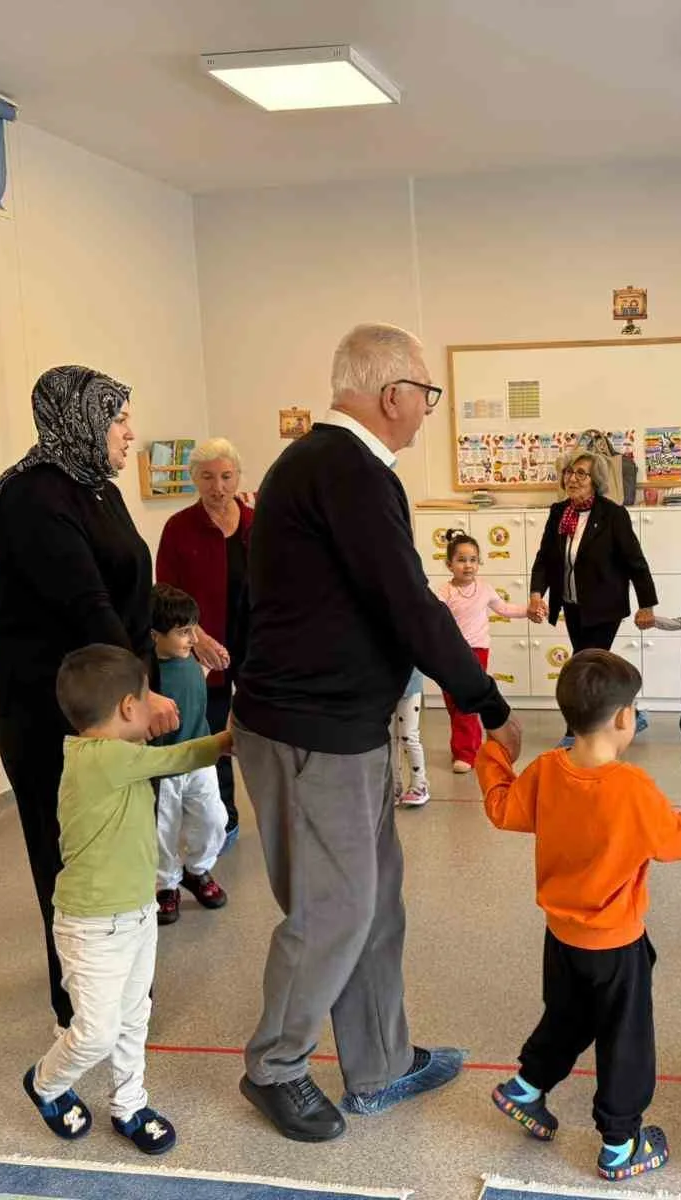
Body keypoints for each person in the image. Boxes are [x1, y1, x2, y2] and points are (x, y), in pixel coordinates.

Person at [232, 322, 522, 1144]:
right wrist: (487, 707)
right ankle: (275, 1066)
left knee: (374, 904)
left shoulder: (328, 467)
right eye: (427, 394)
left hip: (341, 728)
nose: (427, 411)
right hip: (312, 732)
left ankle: (381, 1062)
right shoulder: (345, 469)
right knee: (335, 908)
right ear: (392, 394)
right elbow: (407, 602)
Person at [0, 366, 179, 1030]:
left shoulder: (95, 488)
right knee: (68, 851)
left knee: (115, 845)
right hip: (46, 708)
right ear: (81, 423)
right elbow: (88, 606)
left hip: (107, 702)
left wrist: (173, 639)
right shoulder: (33, 498)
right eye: (118, 419)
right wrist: (139, 696)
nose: (131, 433)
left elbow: (127, 590)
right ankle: (81, 1002)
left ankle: (115, 983)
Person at [477, 650, 681, 1182]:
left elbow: (502, 808)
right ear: (622, 718)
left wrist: (493, 755)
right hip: (615, 946)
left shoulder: (547, 771)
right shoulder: (631, 788)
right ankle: (620, 1142)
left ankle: (526, 1088)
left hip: (561, 938)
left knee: (568, 1016)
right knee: (624, 1038)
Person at [22, 644, 230, 1156]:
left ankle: (129, 1103)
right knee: (95, 1032)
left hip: (136, 915)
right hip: (91, 927)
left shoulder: (107, 756)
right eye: (146, 698)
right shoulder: (105, 757)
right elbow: (178, 755)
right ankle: (45, 1083)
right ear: (129, 709)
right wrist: (229, 739)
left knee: (136, 1017)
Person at [156, 437, 254, 850]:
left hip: (255, 646)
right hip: (200, 651)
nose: (218, 486)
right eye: (208, 477)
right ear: (194, 479)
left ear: (238, 477)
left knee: (262, 732)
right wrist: (199, 638)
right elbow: (165, 596)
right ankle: (223, 820)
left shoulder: (257, 521)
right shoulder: (179, 527)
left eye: (226, 476)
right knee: (213, 736)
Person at [528, 453, 658, 743]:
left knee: (583, 665)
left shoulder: (612, 515)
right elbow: (545, 559)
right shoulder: (559, 512)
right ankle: (630, 714)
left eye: (581, 474)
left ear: (595, 481)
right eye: (569, 472)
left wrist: (646, 604)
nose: (572, 478)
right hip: (574, 605)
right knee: (593, 665)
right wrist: (536, 594)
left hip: (605, 605)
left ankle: (576, 731)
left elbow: (635, 561)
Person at [149, 584, 229, 925]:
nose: (193, 639)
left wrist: (210, 667)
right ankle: (166, 885)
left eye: (192, 630)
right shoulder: (146, 677)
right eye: (183, 633)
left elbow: (194, 685)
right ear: (155, 637)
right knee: (163, 831)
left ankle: (197, 870)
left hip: (200, 759)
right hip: (164, 768)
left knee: (213, 819)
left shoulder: (190, 659)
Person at [433, 529, 529, 772]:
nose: (468, 565)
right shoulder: (444, 592)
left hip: (476, 653)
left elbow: (504, 609)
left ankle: (465, 753)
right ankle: (468, 746)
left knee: (467, 702)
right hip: (450, 653)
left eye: (473, 560)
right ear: (449, 564)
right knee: (454, 704)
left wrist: (528, 610)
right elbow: (433, 620)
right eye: (461, 560)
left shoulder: (485, 589)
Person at [391, 667, 430, 808]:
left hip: (410, 687)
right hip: (384, 688)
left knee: (408, 736)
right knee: (389, 739)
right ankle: (394, 785)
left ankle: (419, 784)